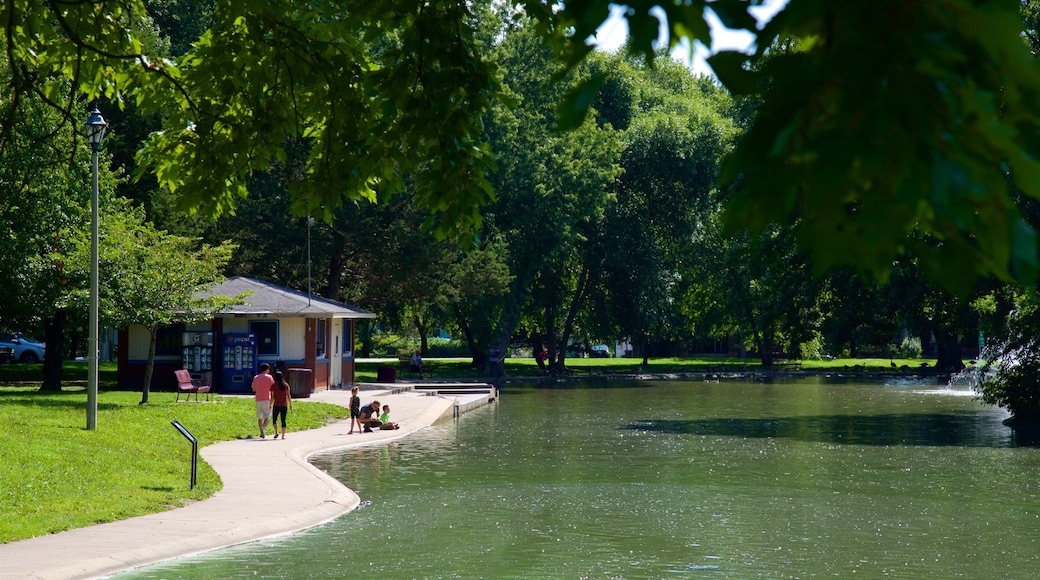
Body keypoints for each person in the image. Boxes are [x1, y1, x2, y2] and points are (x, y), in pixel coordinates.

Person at [250, 363, 275, 439]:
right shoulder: (269, 377)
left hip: (258, 398)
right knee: (267, 416)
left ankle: (261, 431)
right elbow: (273, 387)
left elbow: (253, 389)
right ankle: (263, 428)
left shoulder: (256, 377)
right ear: (267, 369)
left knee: (260, 416)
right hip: (267, 398)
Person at [270, 370, 293, 439]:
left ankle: (276, 432)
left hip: (276, 405)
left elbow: (273, 397)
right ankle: (283, 435)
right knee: (283, 420)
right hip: (284, 405)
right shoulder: (286, 385)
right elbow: (288, 395)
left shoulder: (273, 386)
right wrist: (290, 404)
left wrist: (270, 404)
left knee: (274, 419)